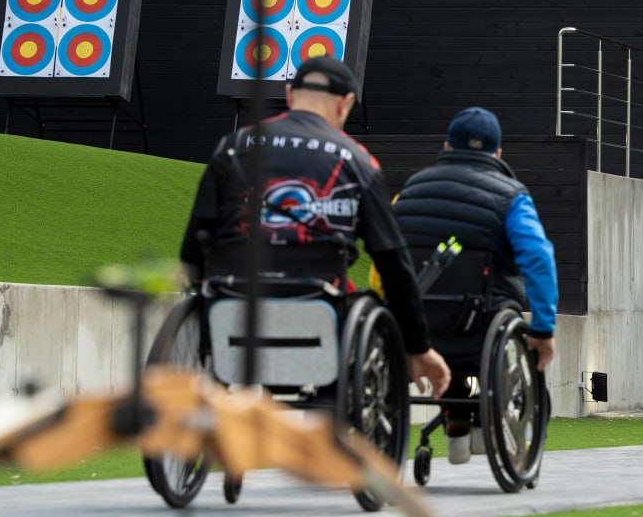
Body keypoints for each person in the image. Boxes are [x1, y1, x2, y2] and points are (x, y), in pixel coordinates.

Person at [179, 55, 450, 399]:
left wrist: (201, 294)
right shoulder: (359, 161)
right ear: (345, 103)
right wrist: (417, 345)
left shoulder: (233, 147)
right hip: (317, 313)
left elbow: (194, 244)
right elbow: (393, 263)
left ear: (290, 94)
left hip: (233, 307)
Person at [391, 106, 558, 464]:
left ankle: (457, 417)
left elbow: (387, 256)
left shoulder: (410, 191)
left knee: (440, 310)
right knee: (481, 320)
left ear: (446, 146)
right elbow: (538, 257)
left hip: (416, 325)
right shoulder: (512, 196)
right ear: (498, 153)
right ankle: (477, 417)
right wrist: (543, 329)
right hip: (483, 327)